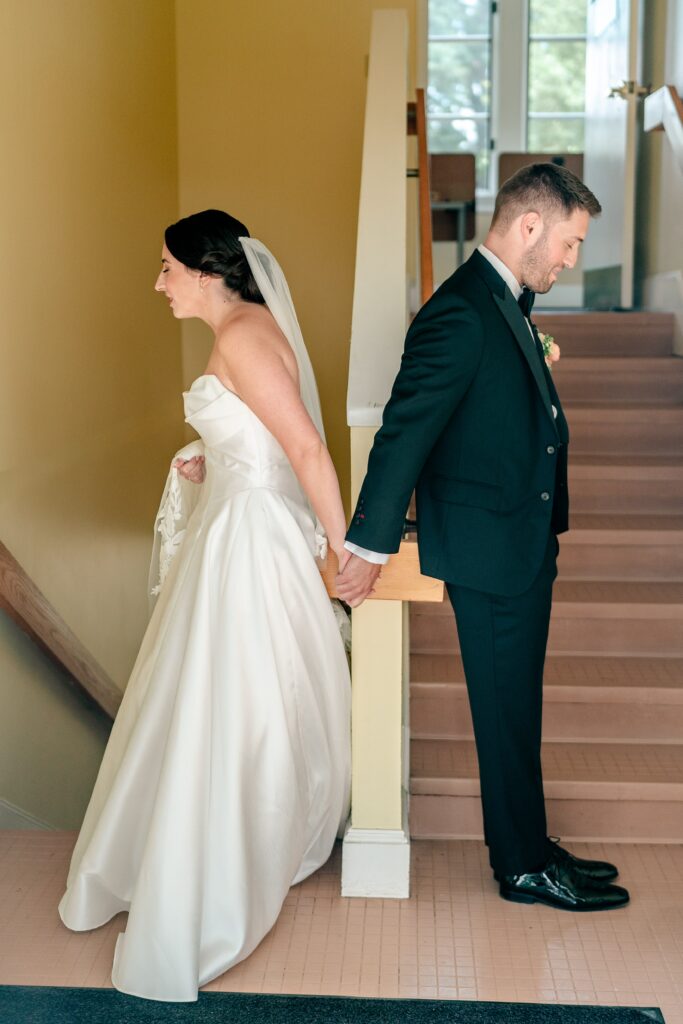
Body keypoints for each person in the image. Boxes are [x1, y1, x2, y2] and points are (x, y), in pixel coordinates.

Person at [59, 210, 351, 1000]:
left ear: (207, 270)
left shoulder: (244, 336)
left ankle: (217, 869)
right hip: (238, 521)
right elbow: (261, 440)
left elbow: (304, 448)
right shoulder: (246, 329)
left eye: (167, 268)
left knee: (231, 699)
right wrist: (207, 457)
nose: (158, 284)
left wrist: (344, 551)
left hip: (247, 544)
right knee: (225, 696)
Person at [337, 163, 630, 912]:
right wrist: (368, 547)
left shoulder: (502, 299)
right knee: (504, 714)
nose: (570, 260)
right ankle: (522, 867)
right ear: (529, 225)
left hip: (518, 539)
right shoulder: (460, 311)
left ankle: (528, 844)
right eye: (568, 243)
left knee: (516, 710)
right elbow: (404, 431)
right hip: (488, 548)